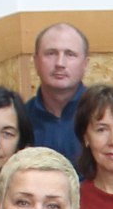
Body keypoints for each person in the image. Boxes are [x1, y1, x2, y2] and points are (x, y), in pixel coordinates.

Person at [23, 22, 90, 162]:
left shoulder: (102, 114)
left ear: (85, 64)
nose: (60, 63)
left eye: (70, 54)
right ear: (36, 62)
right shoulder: (21, 118)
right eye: (51, 53)